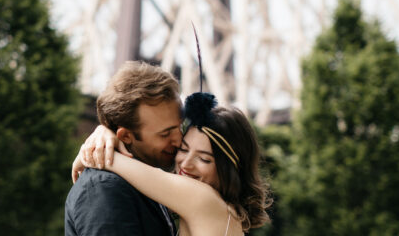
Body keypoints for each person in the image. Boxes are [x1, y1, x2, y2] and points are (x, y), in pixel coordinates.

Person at [73, 91, 272, 236]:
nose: (186, 164)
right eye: (183, 149)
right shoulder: (223, 211)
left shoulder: (204, 199)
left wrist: (92, 149)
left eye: (204, 159)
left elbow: (118, 163)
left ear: (231, 169)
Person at [64, 61, 184, 236]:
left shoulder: (144, 179)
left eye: (180, 127)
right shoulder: (104, 189)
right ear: (126, 136)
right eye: (165, 134)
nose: (179, 140)